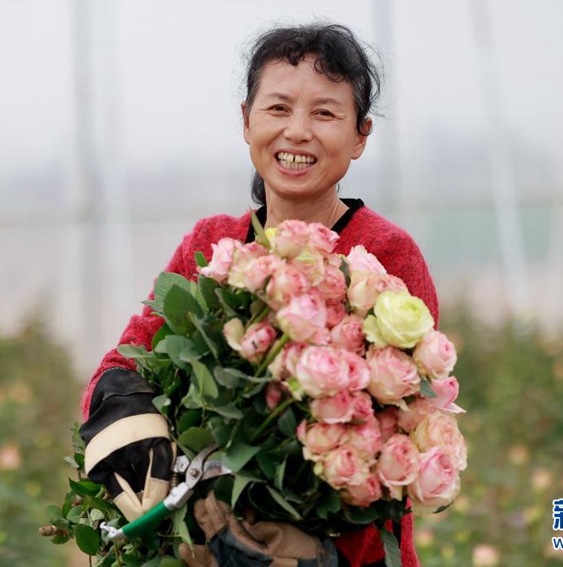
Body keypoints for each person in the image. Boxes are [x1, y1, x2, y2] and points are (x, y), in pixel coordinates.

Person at [81, 22, 438, 567]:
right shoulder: (210, 246)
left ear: (361, 135)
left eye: (325, 113)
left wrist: (311, 544)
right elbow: (126, 359)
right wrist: (125, 414)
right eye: (277, 109)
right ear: (246, 121)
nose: (297, 132)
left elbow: (398, 435)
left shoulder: (385, 254)